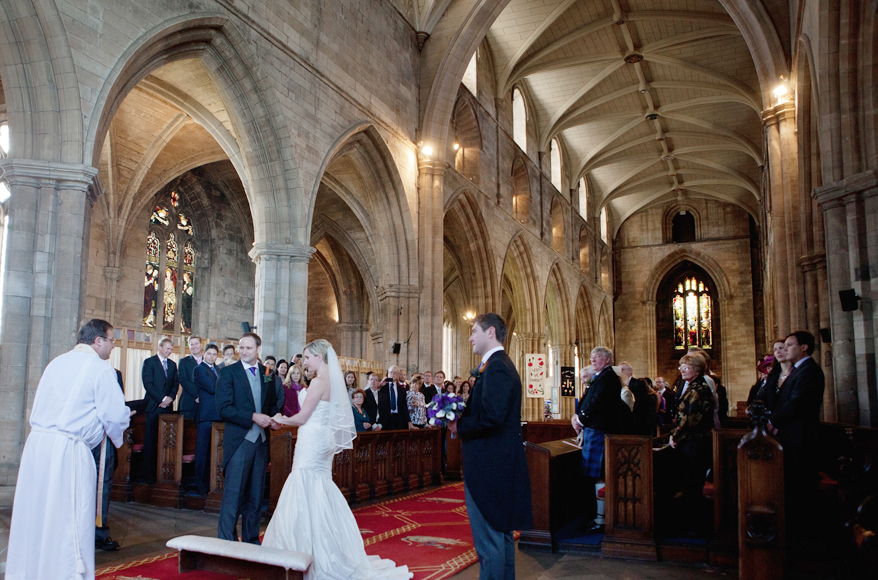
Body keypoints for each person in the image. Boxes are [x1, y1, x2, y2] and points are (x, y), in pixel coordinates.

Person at [264, 339, 411, 579]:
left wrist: (279, 418)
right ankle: (319, 546)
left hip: (312, 439)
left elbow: (301, 418)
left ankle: (302, 548)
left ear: (319, 358)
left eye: (308, 358)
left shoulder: (319, 382)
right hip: (321, 439)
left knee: (304, 484)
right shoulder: (333, 382)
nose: (306, 363)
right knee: (317, 487)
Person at [6, 319, 131, 580]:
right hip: (69, 452)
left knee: (37, 514)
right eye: (111, 341)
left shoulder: (56, 362)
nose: (112, 347)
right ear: (98, 341)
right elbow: (115, 415)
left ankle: (30, 572)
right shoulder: (100, 369)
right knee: (69, 519)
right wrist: (121, 426)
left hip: (37, 447)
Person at [449, 313, 531, 580]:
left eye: (474, 331)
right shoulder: (497, 365)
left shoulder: (496, 367)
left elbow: (492, 417)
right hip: (495, 463)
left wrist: (458, 426)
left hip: (490, 467)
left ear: (491, 332)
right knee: (499, 535)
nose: (470, 337)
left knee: (489, 543)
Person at [215, 332, 282, 543]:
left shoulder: (267, 372)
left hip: (261, 442)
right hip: (240, 441)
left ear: (258, 349)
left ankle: (252, 540)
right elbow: (223, 408)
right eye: (241, 348)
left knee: (255, 496)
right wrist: (252, 417)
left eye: (248, 348)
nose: (243, 351)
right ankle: (226, 542)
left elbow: (270, 404)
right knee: (234, 495)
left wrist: (274, 418)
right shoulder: (228, 373)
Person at [763, 331, 826, 536]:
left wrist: (774, 421)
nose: (785, 349)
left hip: (800, 437)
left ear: (804, 347)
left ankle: (805, 535)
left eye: (790, 345)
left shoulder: (808, 370)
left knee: (802, 486)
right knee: (793, 486)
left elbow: (797, 402)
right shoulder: (798, 370)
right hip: (791, 436)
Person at [572, 346, 622, 532]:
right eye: (592, 357)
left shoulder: (608, 378)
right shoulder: (601, 377)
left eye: (598, 357)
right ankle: (599, 516)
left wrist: (581, 419)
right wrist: (578, 417)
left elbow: (598, 403)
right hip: (595, 429)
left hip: (600, 430)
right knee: (596, 475)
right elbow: (589, 401)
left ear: (608, 359)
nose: (593, 360)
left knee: (600, 474)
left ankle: (601, 519)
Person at [668, 353, 716, 535]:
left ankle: (694, 526)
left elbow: (690, 419)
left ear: (696, 370)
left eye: (685, 367)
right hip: (695, 441)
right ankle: (693, 523)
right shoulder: (697, 386)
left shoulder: (697, 389)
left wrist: (675, 436)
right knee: (692, 484)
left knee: (692, 484)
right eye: (681, 367)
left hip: (693, 443)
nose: (681, 370)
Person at [93, 368, 126, 551]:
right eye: (111, 340)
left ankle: (99, 532)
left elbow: (117, 404)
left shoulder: (113, 373)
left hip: (103, 437)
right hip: (81, 438)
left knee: (102, 486)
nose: (113, 345)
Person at [141, 336, 178, 484]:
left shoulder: (173, 364)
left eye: (171, 349)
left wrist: (170, 398)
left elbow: (176, 384)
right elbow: (148, 384)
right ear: (160, 347)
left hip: (167, 408)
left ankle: (165, 475)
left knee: (167, 442)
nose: (169, 351)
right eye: (167, 348)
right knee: (150, 441)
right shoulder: (149, 362)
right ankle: (148, 476)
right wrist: (162, 398)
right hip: (152, 407)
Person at [193, 343, 221, 496]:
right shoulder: (199, 369)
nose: (212, 357)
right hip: (206, 416)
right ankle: (201, 485)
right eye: (209, 354)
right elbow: (212, 387)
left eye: (214, 354)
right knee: (203, 452)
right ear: (204, 354)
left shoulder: (218, 369)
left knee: (214, 453)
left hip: (218, 416)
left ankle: (213, 483)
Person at [178, 335, 204, 420]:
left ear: (201, 345)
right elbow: (183, 380)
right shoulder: (183, 362)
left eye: (196, 343)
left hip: (205, 405)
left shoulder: (208, 361)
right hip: (188, 404)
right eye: (191, 344)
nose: (194, 346)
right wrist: (197, 395)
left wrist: (203, 396)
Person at [380, 366, 408, 430]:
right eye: (391, 372)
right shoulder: (382, 387)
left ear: (398, 375)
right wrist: (380, 386)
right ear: (388, 374)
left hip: (398, 419)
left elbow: (404, 406)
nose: (392, 374)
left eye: (395, 373)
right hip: (385, 419)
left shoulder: (401, 389)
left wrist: (408, 421)